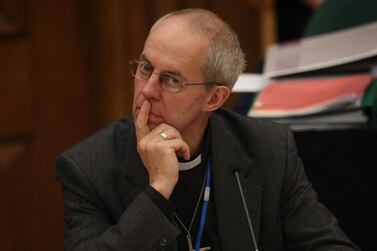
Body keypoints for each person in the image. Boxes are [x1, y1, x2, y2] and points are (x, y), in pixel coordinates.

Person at [56, 8, 360, 251]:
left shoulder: (267, 148)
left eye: (171, 80)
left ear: (214, 98)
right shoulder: (88, 168)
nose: (147, 90)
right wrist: (158, 190)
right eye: (146, 68)